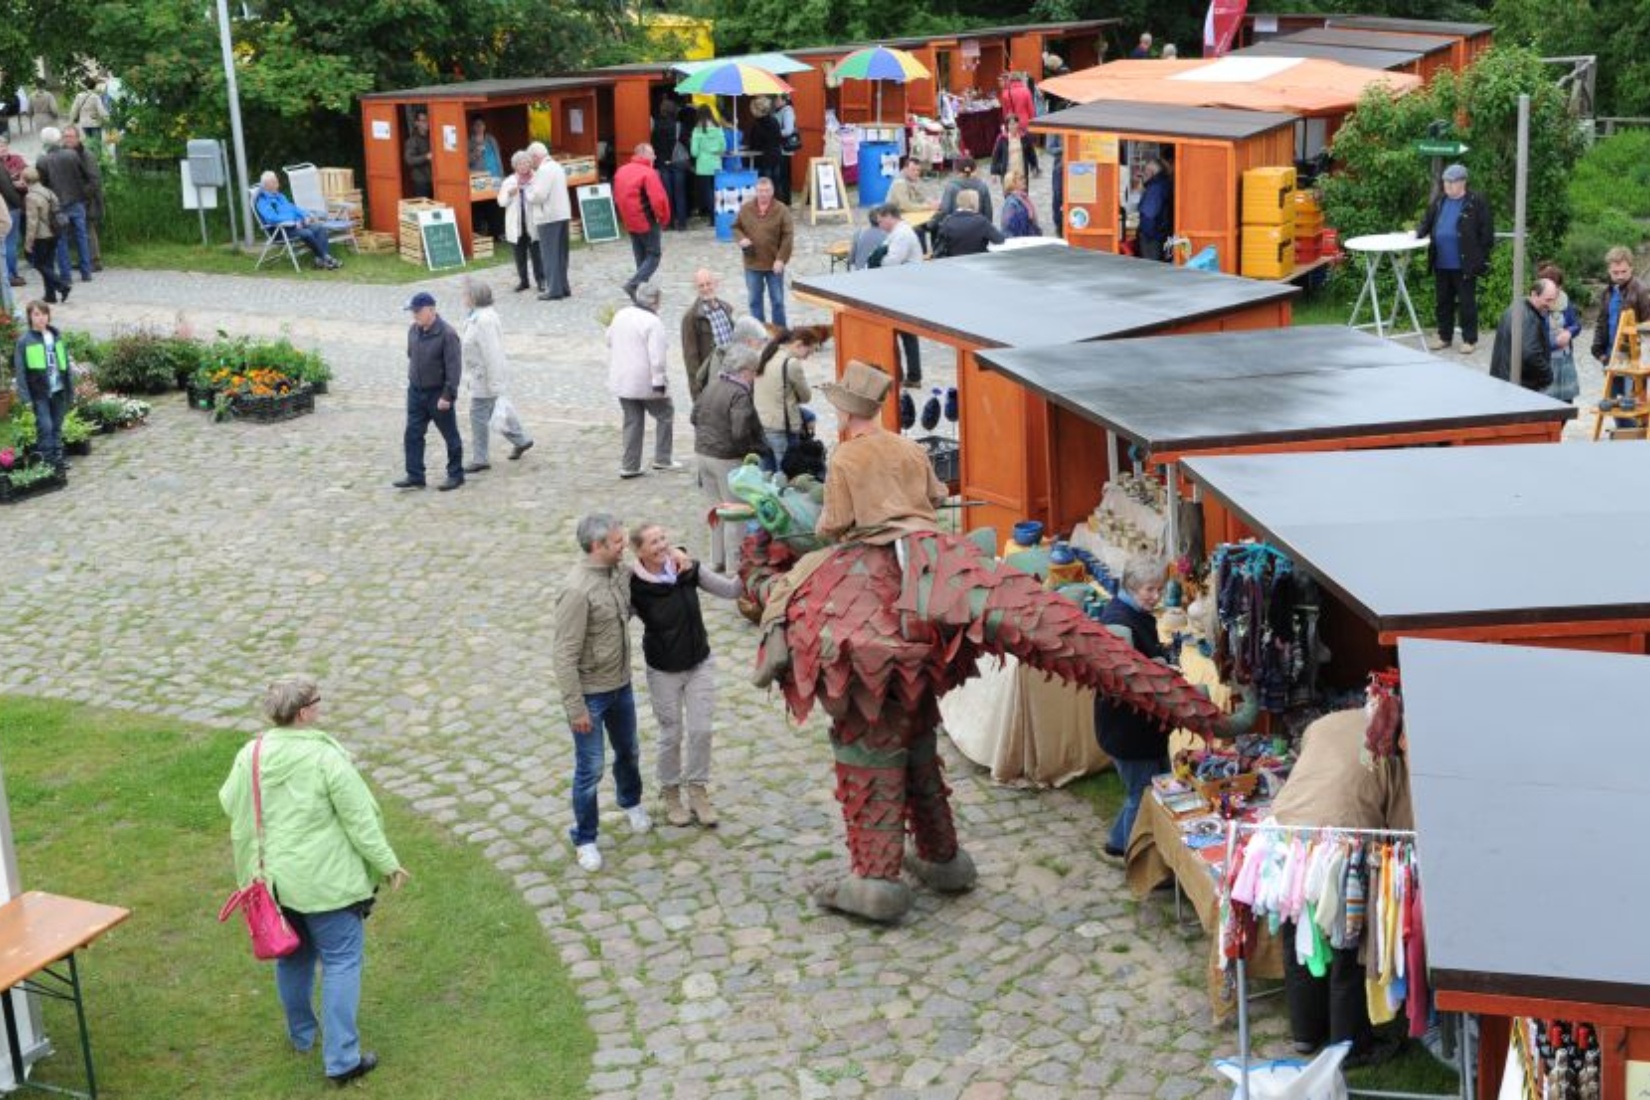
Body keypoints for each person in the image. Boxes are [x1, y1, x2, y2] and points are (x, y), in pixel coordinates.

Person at [218, 675, 409, 1087]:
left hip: (274, 886)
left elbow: (229, 801)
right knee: (342, 962)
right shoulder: (326, 759)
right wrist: (388, 863)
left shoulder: (251, 754)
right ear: (304, 711)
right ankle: (342, 1059)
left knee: (294, 958)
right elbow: (361, 820)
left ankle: (303, 1035)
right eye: (318, 701)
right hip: (328, 885)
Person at [1271, 705, 1413, 1062]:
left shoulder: (1325, 723)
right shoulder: (1392, 746)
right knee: (1347, 944)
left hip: (1286, 834)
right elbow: (1401, 823)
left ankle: (1306, 1033)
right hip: (1343, 842)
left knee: (1300, 935)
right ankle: (1349, 1047)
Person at [552, 512, 652, 873]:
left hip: (620, 685)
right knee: (590, 769)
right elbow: (563, 654)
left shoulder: (618, 574)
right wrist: (575, 708)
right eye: (616, 542)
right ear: (597, 546)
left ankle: (631, 802)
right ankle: (586, 838)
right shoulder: (577, 590)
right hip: (591, 696)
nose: (623, 545)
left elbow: (650, 570)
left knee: (629, 750)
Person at [628, 522, 742, 828]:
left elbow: (730, 590)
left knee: (702, 729)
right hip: (663, 669)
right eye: (654, 542)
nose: (662, 544)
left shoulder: (687, 568)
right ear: (639, 551)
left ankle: (697, 790)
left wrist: (754, 566)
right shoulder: (633, 586)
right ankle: (670, 793)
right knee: (671, 734)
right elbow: (614, 619)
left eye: (663, 537)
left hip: (698, 663)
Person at [1093, 555, 1172, 861]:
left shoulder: (1135, 612)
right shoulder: (1118, 622)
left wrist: (1157, 658)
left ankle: (1117, 842)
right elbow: (1124, 678)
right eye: (1150, 589)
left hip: (1141, 725)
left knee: (1153, 786)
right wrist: (1157, 665)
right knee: (1141, 794)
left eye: (1160, 589)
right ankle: (1134, 855)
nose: (1156, 597)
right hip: (1126, 727)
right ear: (1132, 585)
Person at [692, 342, 765, 572]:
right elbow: (739, 431)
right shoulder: (739, 393)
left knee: (715, 510)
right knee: (735, 512)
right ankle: (735, 566)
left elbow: (694, 417)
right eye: (754, 372)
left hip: (703, 453)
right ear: (745, 370)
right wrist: (749, 454)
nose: (754, 378)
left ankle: (717, 560)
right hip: (727, 457)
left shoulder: (712, 385)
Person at [1416, 163, 1494, 354]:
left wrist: (1481, 257)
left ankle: (1469, 339)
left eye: (1451, 182)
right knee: (1443, 302)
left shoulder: (1476, 201)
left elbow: (1487, 233)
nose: (1447, 186)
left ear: (1462, 182)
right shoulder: (1440, 201)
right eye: (1445, 182)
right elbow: (1427, 221)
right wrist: (1417, 234)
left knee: (1467, 303)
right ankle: (1444, 337)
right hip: (1441, 262)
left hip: (1465, 263)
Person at [608, 280, 680, 479]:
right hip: (645, 381)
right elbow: (658, 358)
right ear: (655, 301)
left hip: (622, 379)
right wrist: (660, 383)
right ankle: (663, 457)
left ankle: (630, 465)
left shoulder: (620, 314)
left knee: (633, 420)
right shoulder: (652, 322)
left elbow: (609, 339)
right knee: (665, 413)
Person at [458, 280, 533, 473]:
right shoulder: (477, 317)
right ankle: (521, 439)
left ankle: (481, 458)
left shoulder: (484, 320)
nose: (462, 297)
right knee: (493, 411)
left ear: (473, 297)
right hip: (481, 377)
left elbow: (492, 353)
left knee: (479, 415)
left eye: (465, 294)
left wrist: (495, 383)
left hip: (485, 378)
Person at [394, 291, 464, 492]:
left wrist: (447, 395)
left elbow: (454, 368)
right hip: (416, 391)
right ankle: (415, 475)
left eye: (417, 311)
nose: (414, 315)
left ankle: (456, 474)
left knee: (450, 436)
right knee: (413, 433)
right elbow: (411, 355)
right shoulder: (413, 330)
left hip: (437, 394)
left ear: (432, 310)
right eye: (412, 311)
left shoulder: (448, 334)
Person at [1590, 246, 1650, 418]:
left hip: (1633, 357)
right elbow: (1602, 322)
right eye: (1615, 272)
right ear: (1609, 270)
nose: (1620, 276)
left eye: (1624, 271)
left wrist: (1642, 358)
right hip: (1611, 355)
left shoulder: (1642, 290)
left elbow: (1648, 326)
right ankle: (1623, 441)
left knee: (1632, 406)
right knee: (1614, 405)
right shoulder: (1608, 292)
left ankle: (1635, 443)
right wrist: (1598, 351)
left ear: (1631, 267)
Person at [13, 300, 71, 470]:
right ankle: (48, 460)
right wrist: (25, 397)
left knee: (57, 424)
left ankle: (58, 456)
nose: (41, 318)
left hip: (58, 389)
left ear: (48, 316)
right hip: (39, 392)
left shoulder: (56, 336)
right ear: (30, 317)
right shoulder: (25, 341)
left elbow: (64, 364)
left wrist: (70, 388)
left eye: (44, 314)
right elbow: (20, 371)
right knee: (45, 426)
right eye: (36, 314)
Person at [752, 328, 819, 472]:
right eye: (809, 352)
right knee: (786, 475)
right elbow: (806, 396)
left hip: (761, 424)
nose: (807, 357)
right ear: (799, 345)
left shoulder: (767, 355)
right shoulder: (791, 363)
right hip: (782, 428)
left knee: (767, 474)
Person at [874, 204, 925, 387]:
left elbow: (891, 262)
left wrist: (877, 258)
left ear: (889, 216)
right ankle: (909, 375)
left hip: (903, 290)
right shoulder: (899, 232)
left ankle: (905, 375)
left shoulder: (901, 234)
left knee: (902, 333)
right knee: (906, 334)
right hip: (904, 288)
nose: (880, 226)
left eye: (881, 222)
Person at [732, 176, 793, 328]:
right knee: (754, 301)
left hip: (774, 265)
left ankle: (780, 332)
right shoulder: (746, 209)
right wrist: (741, 239)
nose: (763, 194)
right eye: (760, 191)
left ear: (772, 192)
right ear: (756, 191)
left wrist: (781, 259)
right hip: (752, 264)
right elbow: (735, 227)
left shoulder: (781, 210)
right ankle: (759, 333)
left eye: (766, 191)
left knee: (778, 301)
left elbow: (788, 236)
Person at [36, 127, 93, 285]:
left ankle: (66, 276)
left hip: (57, 205)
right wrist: (83, 194)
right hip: (76, 200)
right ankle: (86, 272)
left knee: (61, 241)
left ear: (44, 141)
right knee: (81, 236)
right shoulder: (72, 154)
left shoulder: (42, 160)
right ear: (59, 139)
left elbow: (43, 185)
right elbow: (83, 176)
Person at [253, 171, 342, 270]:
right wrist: (294, 221)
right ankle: (326, 258)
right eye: (274, 182)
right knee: (307, 233)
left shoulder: (279, 196)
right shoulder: (262, 201)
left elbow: (293, 208)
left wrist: (305, 216)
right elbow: (271, 218)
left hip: (294, 227)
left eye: (276, 180)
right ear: (267, 185)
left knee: (319, 228)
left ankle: (320, 261)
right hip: (280, 231)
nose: (277, 183)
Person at [614, 144, 670, 302]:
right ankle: (634, 284)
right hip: (646, 219)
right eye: (652, 154)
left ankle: (641, 291)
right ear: (644, 155)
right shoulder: (649, 173)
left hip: (629, 219)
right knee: (653, 254)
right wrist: (664, 219)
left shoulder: (621, 171)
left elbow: (617, 195)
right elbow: (658, 200)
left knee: (641, 256)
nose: (655, 157)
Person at [1489, 278, 1556, 392]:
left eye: (1553, 300)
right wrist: (1547, 374)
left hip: (1503, 380)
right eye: (1548, 300)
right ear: (1534, 294)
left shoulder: (1515, 308)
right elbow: (1530, 354)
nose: (1551, 305)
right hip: (1519, 386)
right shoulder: (1529, 318)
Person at [680, 268, 736, 402]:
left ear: (715, 283)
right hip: (712, 378)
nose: (706, 288)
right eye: (701, 285)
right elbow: (690, 359)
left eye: (708, 283)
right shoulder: (691, 318)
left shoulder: (726, 308)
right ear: (696, 288)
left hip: (732, 374)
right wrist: (697, 393)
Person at [525, 142, 572, 301]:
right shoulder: (557, 166)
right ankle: (563, 286)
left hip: (548, 216)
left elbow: (539, 195)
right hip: (562, 214)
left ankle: (554, 290)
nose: (531, 164)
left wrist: (528, 193)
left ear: (536, 156)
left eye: (531, 160)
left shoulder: (544, 170)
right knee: (561, 254)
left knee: (550, 255)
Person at [497, 150, 543, 293]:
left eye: (526, 163)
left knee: (537, 254)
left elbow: (541, 197)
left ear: (530, 164)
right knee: (519, 255)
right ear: (515, 166)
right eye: (520, 163)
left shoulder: (537, 179)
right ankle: (523, 281)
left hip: (533, 222)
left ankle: (541, 281)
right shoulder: (509, 181)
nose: (523, 166)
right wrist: (509, 194)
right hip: (516, 224)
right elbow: (501, 202)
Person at [21, 167, 67, 304]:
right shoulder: (48, 191)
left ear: (25, 180)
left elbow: (32, 223)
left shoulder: (30, 197)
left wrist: (28, 244)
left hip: (41, 236)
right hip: (54, 232)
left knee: (39, 264)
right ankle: (50, 296)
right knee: (48, 265)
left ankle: (62, 286)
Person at [1538, 261, 1581, 403]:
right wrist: (1555, 342)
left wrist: (1569, 332)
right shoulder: (1537, 306)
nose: (1553, 292)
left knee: (1567, 402)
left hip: (1565, 359)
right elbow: (1535, 339)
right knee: (1547, 402)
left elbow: (1576, 324)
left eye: (1556, 287)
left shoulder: (1565, 301)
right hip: (1546, 362)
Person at [62, 127, 102, 273]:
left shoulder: (86, 156)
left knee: (88, 229)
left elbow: (94, 181)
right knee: (77, 231)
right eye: (65, 136)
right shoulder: (63, 154)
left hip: (87, 199)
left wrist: (82, 195)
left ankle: (95, 261)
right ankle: (84, 260)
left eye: (71, 136)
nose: (68, 139)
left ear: (78, 138)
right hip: (70, 199)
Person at [932, 190, 1002, 258]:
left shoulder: (947, 222)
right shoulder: (982, 221)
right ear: (974, 203)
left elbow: (938, 248)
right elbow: (999, 240)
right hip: (979, 262)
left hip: (955, 263)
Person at [466, 118, 504, 239]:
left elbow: (497, 156)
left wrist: (501, 174)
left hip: (495, 176)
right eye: (477, 125)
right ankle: (479, 234)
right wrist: (476, 153)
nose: (479, 127)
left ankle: (497, 233)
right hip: (479, 179)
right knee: (479, 205)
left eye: (481, 124)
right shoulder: (469, 142)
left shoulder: (490, 139)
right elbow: (464, 161)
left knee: (495, 205)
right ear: (472, 127)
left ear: (485, 125)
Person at [690, 112, 726, 226]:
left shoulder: (697, 130)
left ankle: (713, 218)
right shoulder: (718, 128)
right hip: (716, 163)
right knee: (716, 191)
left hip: (703, 165)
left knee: (707, 193)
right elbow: (723, 147)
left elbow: (694, 152)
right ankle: (719, 216)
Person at [747, 97, 784, 204]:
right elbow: (779, 137)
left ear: (757, 109)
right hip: (776, 155)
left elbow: (754, 144)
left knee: (765, 184)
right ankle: (778, 205)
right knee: (776, 183)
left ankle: (766, 205)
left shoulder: (757, 124)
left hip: (764, 158)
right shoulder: (774, 120)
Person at [1136, 156, 1173, 263]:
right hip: (1161, 235)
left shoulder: (1155, 189)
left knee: (1150, 268)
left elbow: (1148, 216)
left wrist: (1147, 237)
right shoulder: (1162, 184)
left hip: (1153, 239)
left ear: (1150, 172)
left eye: (1145, 171)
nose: (1142, 175)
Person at [0, 135, 25, 287]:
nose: (3, 149)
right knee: (10, 242)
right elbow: (8, 189)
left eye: (4, 146)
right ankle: (11, 274)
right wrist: (18, 203)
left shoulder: (15, 159)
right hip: (8, 207)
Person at [938, 155, 993, 223]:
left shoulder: (951, 187)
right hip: (978, 228)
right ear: (975, 169)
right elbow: (988, 213)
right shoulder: (982, 187)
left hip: (955, 228)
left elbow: (945, 211)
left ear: (956, 171)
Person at [990, 115, 1038, 185]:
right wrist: (993, 173)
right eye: (1010, 124)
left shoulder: (1024, 137)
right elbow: (995, 156)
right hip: (1008, 174)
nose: (1013, 126)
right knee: (1009, 195)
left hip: (1021, 172)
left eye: (1015, 123)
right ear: (1007, 126)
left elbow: (1031, 153)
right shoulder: (1002, 138)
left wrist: (1034, 167)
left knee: (1022, 194)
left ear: (1018, 124)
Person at [1000, 169, 1041, 239]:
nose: (1024, 181)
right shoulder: (1011, 203)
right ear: (1012, 183)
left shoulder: (1024, 198)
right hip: (1019, 242)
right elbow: (1008, 228)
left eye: (1024, 178)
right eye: (1020, 179)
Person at [404, 111, 433, 199]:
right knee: (424, 210)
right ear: (416, 123)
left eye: (428, 120)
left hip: (433, 180)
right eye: (423, 121)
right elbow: (409, 160)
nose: (427, 123)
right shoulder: (412, 140)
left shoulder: (432, 137)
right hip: (421, 182)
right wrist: (426, 157)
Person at [775, 95, 798, 204]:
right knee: (781, 176)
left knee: (783, 176)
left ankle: (785, 201)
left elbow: (788, 130)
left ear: (784, 101)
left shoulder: (787, 111)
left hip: (784, 149)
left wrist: (773, 133)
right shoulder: (778, 110)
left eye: (778, 99)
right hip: (779, 148)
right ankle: (783, 200)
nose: (775, 101)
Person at [70, 82, 109, 147]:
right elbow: (101, 110)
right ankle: (97, 156)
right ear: (95, 87)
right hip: (95, 123)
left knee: (89, 142)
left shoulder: (79, 96)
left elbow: (74, 110)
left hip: (84, 123)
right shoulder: (96, 97)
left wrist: (71, 121)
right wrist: (107, 119)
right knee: (97, 143)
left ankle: (90, 156)